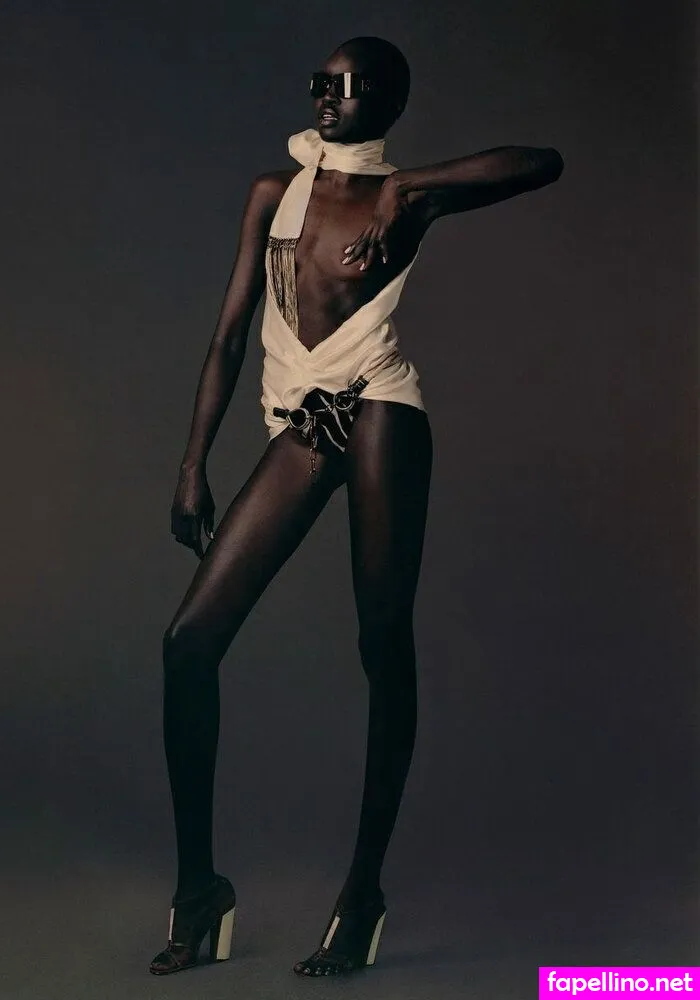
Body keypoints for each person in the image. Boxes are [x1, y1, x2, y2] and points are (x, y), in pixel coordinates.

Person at [149, 35, 563, 978]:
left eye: (347, 85)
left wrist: (407, 186)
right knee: (189, 643)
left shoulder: (405, 199)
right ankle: (200, 890)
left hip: (380, 413)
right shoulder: (275, 191)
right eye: (319, 83)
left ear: (386, 99)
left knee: (381, 641)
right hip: (303, 424)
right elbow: (227, 337)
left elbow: (542, 162)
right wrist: (193, 464)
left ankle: (362, 893)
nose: (327, 97)